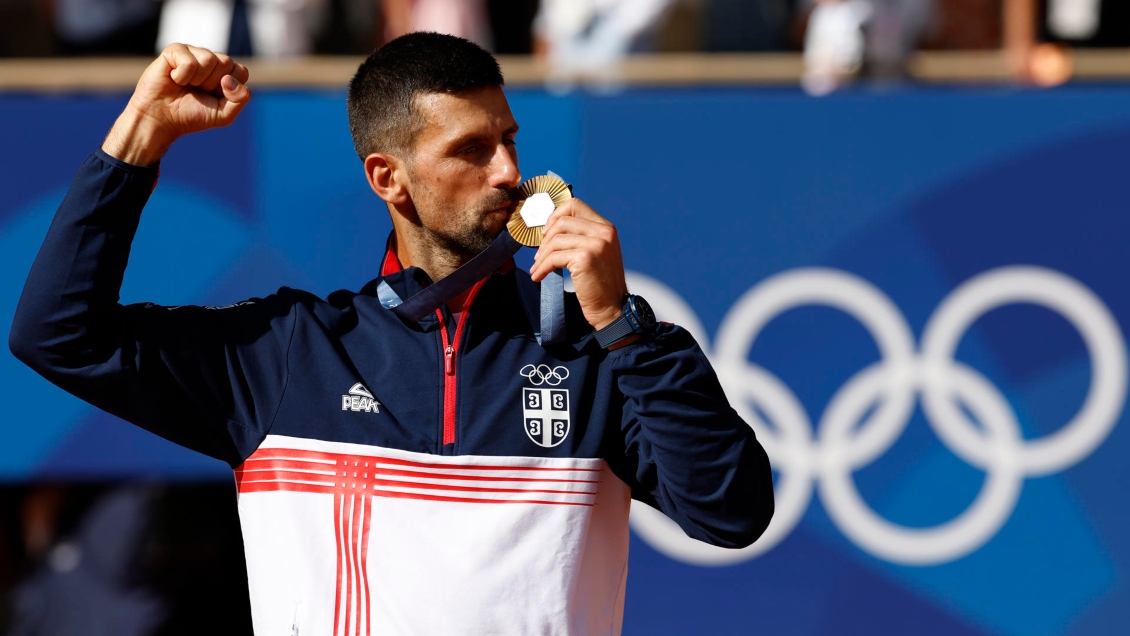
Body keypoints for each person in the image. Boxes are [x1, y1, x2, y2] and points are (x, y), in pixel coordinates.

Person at [9, 33, 773, 635]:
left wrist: (621, 325)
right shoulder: (291, 351)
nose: (509, 170)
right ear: (388, 178)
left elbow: (730, 512)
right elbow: (58, 333)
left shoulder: (594, 352)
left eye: (508, 139)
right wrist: (141, 134)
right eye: (471, 150)